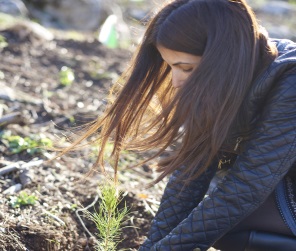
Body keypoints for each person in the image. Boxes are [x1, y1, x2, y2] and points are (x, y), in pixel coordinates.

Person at [61, 0, 296, 250]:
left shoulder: (290, 83)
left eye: (186, 68)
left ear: (222, 57)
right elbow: (191, 171)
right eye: (171, 67)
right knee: (215, 223)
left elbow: (247, 186)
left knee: (234, 222)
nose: (175, 81)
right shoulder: (233, 76)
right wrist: (152, 245)